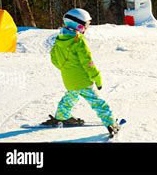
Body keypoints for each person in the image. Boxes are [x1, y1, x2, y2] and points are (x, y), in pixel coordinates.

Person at [42, 8, 120, 137]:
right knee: (98, 103)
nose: (87, 27)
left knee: (69, 98)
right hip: (83, 81)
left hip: (69, 81)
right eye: (86, 24)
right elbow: (88, 63)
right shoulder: (79, 41)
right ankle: (111, 123)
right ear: (78, 25)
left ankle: (62, 117)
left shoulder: (59, 40)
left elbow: (55, 60)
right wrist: (97, 77)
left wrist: (67, 70)